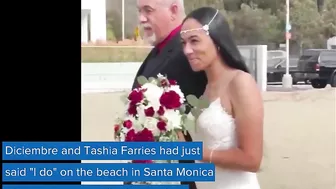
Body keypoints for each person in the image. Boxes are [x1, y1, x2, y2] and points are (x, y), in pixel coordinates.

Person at [179, 7, 264, 189]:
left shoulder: (240, 82)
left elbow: (252, 159)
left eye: (194, 41)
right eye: (183, 43)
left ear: (216, 41)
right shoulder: (204, 89)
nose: (187, 50)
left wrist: (196, 152)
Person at [131, 1, 207, 189]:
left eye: (148, 10)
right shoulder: (160, 50)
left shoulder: (187, 56)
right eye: (139, 11)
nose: (141, 18)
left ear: (173, 11)